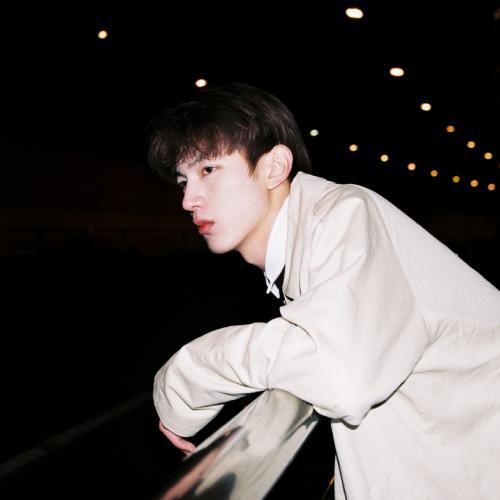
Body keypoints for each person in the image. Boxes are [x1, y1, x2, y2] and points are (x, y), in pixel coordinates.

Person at [146, 82, 500, 499]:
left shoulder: (344, 214)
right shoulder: (306, 243)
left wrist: (190, 371)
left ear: (274, 167)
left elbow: (341, 373)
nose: (188, 200)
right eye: (183, 181)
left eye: (208, 170)